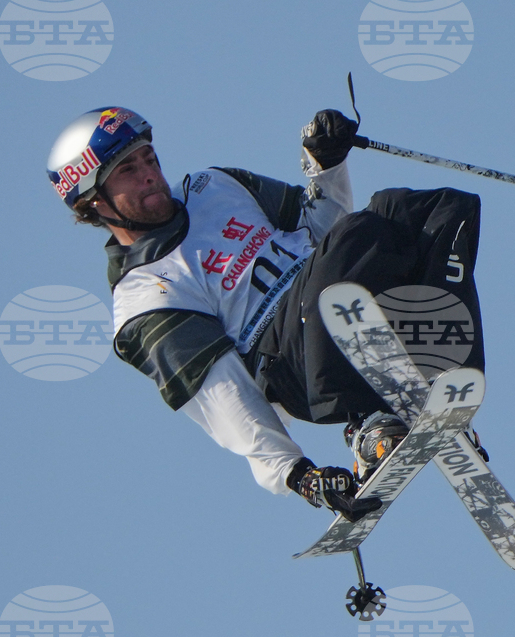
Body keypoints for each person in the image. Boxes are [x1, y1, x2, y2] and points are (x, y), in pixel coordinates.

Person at [47, 106, 487, 522]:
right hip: (293, 362)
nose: (149, 176)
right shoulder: (143, 296)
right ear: (92, 201)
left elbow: (322, 232)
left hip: (334, 289)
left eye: (148, 159)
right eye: (128, 171)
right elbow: (222, 395)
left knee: (437, 212)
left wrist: (327, 165)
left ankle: (440, 379)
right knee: (356, 239)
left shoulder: (213, 185)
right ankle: (367, 423)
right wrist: (298, 475)